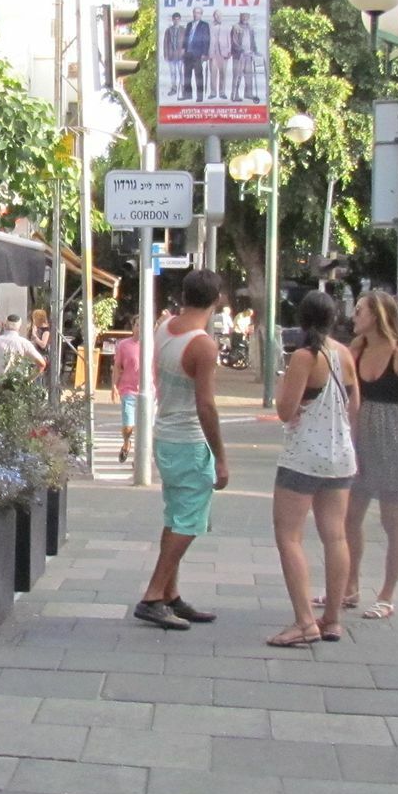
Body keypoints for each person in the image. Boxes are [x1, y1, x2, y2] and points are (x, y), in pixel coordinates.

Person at [134, 270, 230, 631]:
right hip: (189, 439)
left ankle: (170, 594)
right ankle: (153, 595)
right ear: (216, 298)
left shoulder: (165, 327)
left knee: (175, 516)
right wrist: (220, 455)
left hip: (166, 432)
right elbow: (206, 405)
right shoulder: (203, 345)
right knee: (190, 521)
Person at [268, 291, 358, 647]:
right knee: (335, 536)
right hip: (340, 456)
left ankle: (304, 621)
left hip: (304, 455)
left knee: (289, 536)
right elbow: (354, 407)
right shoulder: (345, 354)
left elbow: (285, 410)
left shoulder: (305, 357)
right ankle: (332, 619)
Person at [342, 290, 398, 621]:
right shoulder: (356, 350)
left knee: (393, 521)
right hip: (359, 440)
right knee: (350, 516)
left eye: (360, 311)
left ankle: (386, 595)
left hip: (394, 442)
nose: (354, 316)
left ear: (377, 316)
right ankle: (350, 586)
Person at [110, 315, 142, 464]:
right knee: (129, 426)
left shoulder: (152, 345)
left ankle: (139, 457)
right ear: (133, 327)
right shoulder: (124, 345)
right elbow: (117, 366)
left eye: (143, 325)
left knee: (144, 428)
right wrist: (114, 386)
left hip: (148, 391)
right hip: (128, 389)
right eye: (137, 325)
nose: (139, 328)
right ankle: (126, 443)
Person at [0, 315, 48, 379]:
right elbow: (42, 364)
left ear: (5, 326)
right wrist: (28, 380)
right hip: (16, 386)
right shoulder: (24, 343)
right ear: (19, 327)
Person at [182, 11, 212, 101]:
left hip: (198, 54)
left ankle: (200, 97)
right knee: (187, 75)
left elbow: (207, 39)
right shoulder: (189, 25)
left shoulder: (204, 25)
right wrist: (183, 48)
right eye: (195, 13)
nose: (196, 14)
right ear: (193, 14)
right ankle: (188, 95)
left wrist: (205, 53)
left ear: (201, 14)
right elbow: (186, 38)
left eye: (198, 13)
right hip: (188, 53)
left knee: (198, 75)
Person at [231, 12, 259, 101]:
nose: (245, 18)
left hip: (249, 55)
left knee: (249, 75)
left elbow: (253, 41)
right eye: (243, 16)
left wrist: (255, 50)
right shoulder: (236, 27)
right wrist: (240, 50)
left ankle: (248, 94)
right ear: (240, 17)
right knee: (237, 75)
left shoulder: (250, 28)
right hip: (239, 56)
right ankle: (235, 95)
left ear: (249, 17)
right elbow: (234, 42)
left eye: (247, 16)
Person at [161, 12, 186, 98]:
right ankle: (174, 88)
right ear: (172, 20)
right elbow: (165, 43)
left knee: (181, 72)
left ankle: (183, 88)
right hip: (171, 55)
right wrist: (166, 55)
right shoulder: (168, 30)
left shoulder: (183, 30)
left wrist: (185, 52)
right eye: (175, 19)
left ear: (180, 20)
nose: (176, 21)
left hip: (180, 56)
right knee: (173, 73)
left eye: (178, 19)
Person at [208, 10, 232, 100]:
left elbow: (229, 39)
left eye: (219, 15)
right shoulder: (210, 26)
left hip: (223, 53)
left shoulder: (226, 26)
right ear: (214, 16)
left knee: (223, 74)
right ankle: (213, 93)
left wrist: (229, 51)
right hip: (213, 53)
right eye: (216, 16)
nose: (218, 17)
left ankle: (222, 93)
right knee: (213, 74)